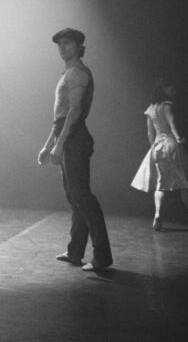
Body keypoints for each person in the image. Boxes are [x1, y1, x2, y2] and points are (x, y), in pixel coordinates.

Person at [37, 28, 112, 271]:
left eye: (67, 43)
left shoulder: (78, 73)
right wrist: (49, 144)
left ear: (79, 46)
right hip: (67, 135)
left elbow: (75, 111)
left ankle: (102, 257)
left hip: (75, 138)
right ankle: (75, 252)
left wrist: (59, 145)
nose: (61, 47)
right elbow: (58, 118)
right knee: (75, 198)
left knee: (83, 197)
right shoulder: (67, 73)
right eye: (59, 44)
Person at [130, 77, 188, 231]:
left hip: (157, 146)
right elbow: (172, 125)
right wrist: (179, 139)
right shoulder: (167, 106)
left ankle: (157, 214)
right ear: (164, 90)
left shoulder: (150, 108)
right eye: (171, 89)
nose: (173, 92)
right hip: (170, 145)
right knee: (184, 184)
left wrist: (154, 148)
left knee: (160, 184)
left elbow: (150, 133)